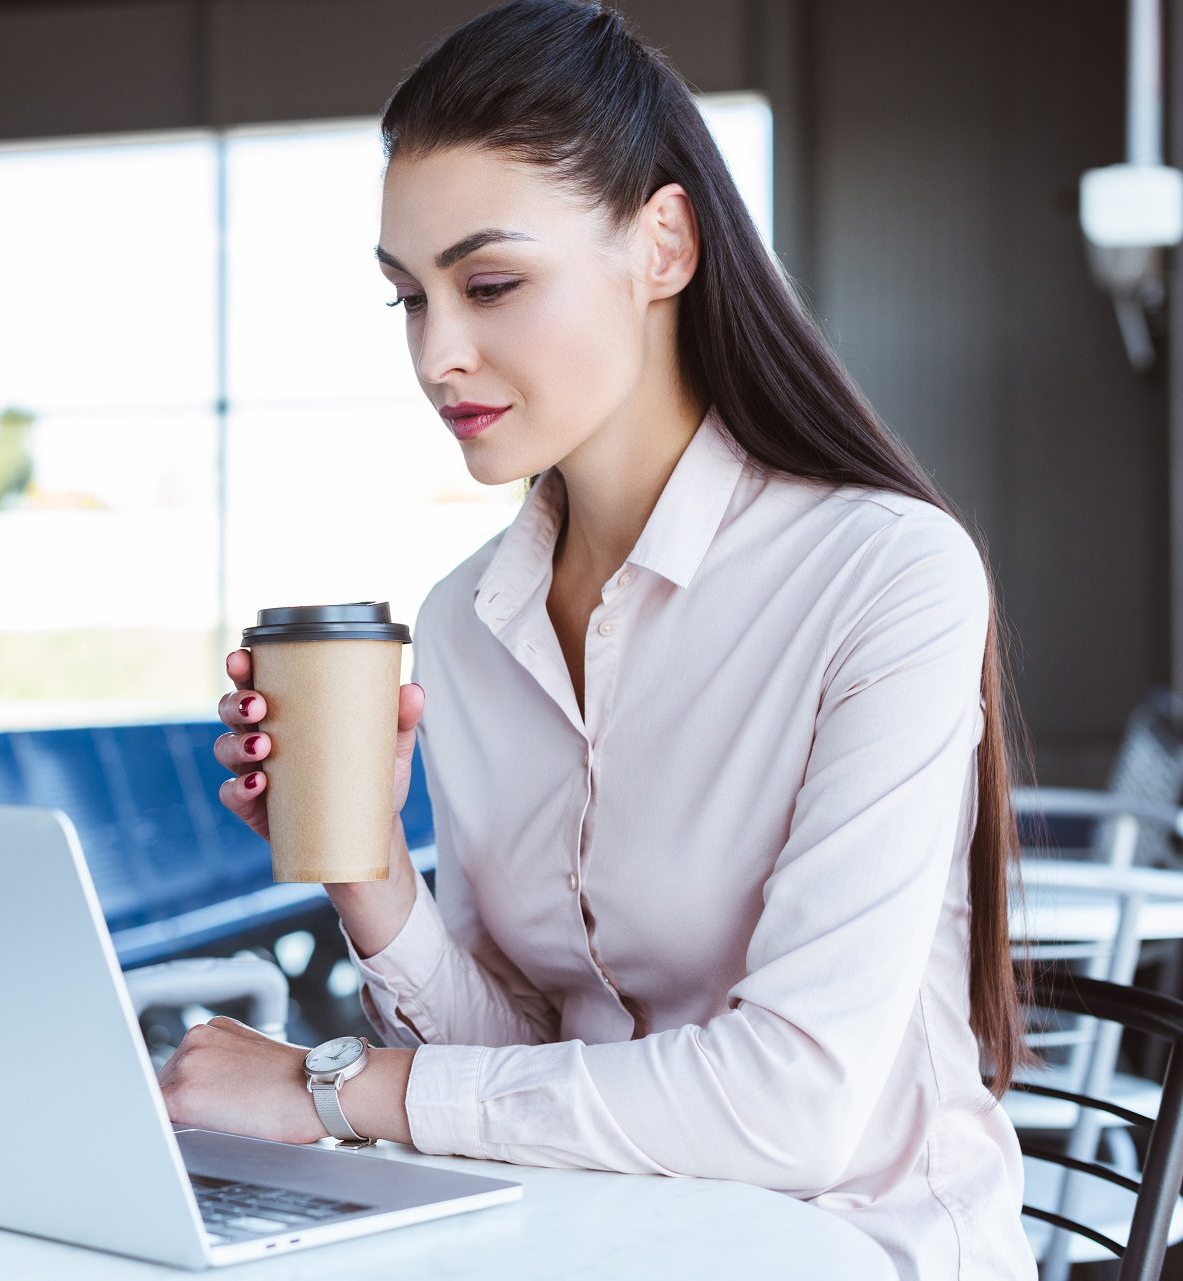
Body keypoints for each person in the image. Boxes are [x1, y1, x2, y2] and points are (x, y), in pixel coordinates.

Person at [156, 2, 1039, 1277]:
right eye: (410, 299)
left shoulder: (885, 574)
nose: (438, 354)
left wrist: (333, 1088)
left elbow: (791, 1106)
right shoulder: (467, 622)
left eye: (493, 284)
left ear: (663, 243)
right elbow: (528, 1057)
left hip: (848, 1249)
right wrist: (364, 866)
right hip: (596, 1240)